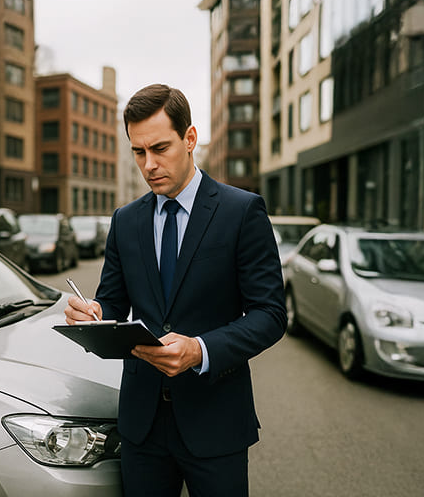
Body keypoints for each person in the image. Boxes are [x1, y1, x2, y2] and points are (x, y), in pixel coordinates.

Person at [63, 84, 285, 496]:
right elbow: (112, 301)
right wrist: (92, 312)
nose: (149, 165)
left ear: (190, 138)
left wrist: (200, 349)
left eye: (160, 148)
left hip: (215, 420)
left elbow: (270, 314)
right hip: (142, 425)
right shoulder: (126, 220)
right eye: (138, 152)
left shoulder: (242, 211)